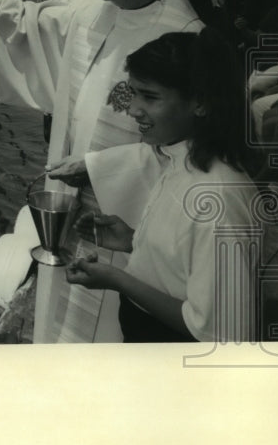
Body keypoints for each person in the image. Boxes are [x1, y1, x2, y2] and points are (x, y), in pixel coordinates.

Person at [0, 0, 204, 342]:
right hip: (72, 211)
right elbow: (18, 17)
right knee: (62, 321)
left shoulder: (188, 40)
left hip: (131, 231)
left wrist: (97, 169)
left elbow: (197, 152)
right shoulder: (94, 13)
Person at [52, 30, 259, 343]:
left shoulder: (220, 199)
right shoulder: (180, 159)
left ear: (200, 103)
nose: (133, 109)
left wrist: (115, 278)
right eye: (133, 93)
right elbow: (189, 264)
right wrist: (136, 242)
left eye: (149, 96)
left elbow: (220, 332)